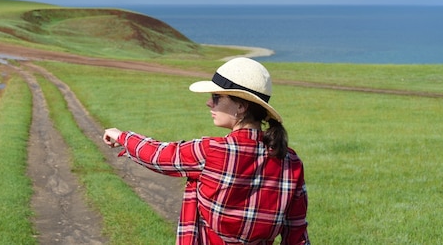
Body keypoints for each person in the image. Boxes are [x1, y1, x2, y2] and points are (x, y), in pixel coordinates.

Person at [103, 57, 309, 244]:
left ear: (241, 106)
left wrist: (121, 136)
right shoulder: (290, 162)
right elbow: (296, 233)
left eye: (216, 97)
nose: (209, 102)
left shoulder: (212, 151)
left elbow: (159, 155)